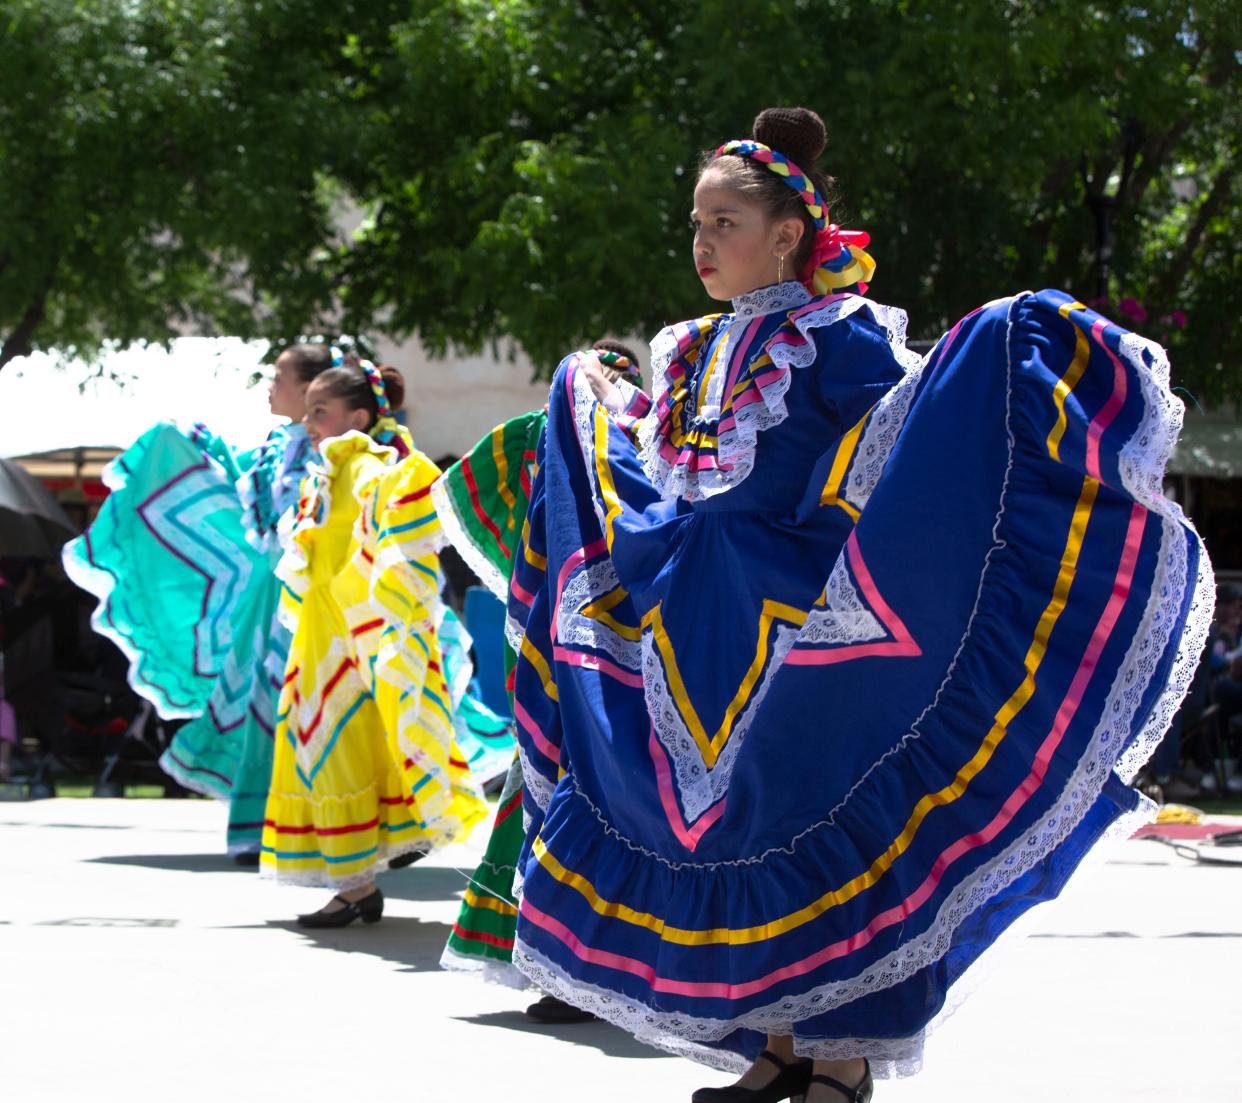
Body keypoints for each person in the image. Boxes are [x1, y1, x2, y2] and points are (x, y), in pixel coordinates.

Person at [504, 107, 1210, 1102]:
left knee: (822, 820)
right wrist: (585, 413)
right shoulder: (684, 346)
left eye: (725, 224)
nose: (703, 244)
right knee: (739, 836)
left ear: (786, 234)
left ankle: (844, 1058)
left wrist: (999, 344)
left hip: (807, 631)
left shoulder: (842, 339)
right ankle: (774, 1043)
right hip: (694, 627)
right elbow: (671, 483)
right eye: (696, 225)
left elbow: (900, 449)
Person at [434, 339, 643, 1023]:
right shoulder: (545, 438)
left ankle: (598, 969)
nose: (595, 387)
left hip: (638, 651)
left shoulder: (649, 436)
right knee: (554, 789)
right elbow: (471, 484)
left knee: (614, 798)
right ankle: (562, 964)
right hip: (563, 642)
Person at [61, 343, 333, 854]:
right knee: (264, 705)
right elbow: (243, 495)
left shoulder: (332, 451)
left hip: (309, 596)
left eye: (279, 375)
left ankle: (337, 831)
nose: (270, 385)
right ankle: (268, 831)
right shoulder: (278, 447)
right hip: (268, 601)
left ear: (309, 387)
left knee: (308, 706)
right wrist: (195, 451)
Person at [263, 359, 487, 924]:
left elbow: (401, 499)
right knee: (333, 752)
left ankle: (358, 884)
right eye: (309, 410)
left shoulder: (363, 464)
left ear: (358, 417)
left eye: (321, 411)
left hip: (351, 641)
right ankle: (358, 884)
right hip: (327, 638)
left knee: (335, 754)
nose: (310, 422)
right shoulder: (330, 471)